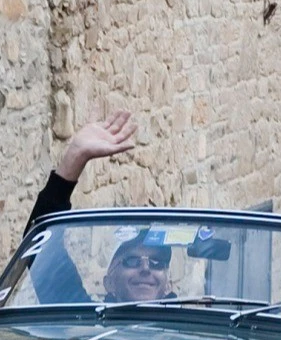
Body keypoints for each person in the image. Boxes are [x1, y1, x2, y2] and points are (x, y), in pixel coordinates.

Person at [21, 112, 178, 304]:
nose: (145, 269)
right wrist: (75, 157)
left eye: (157, 263)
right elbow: (39, 250)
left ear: (168, 285)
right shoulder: (87, 325)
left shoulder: (193, 330)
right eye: (131, 261)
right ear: (109, 282)